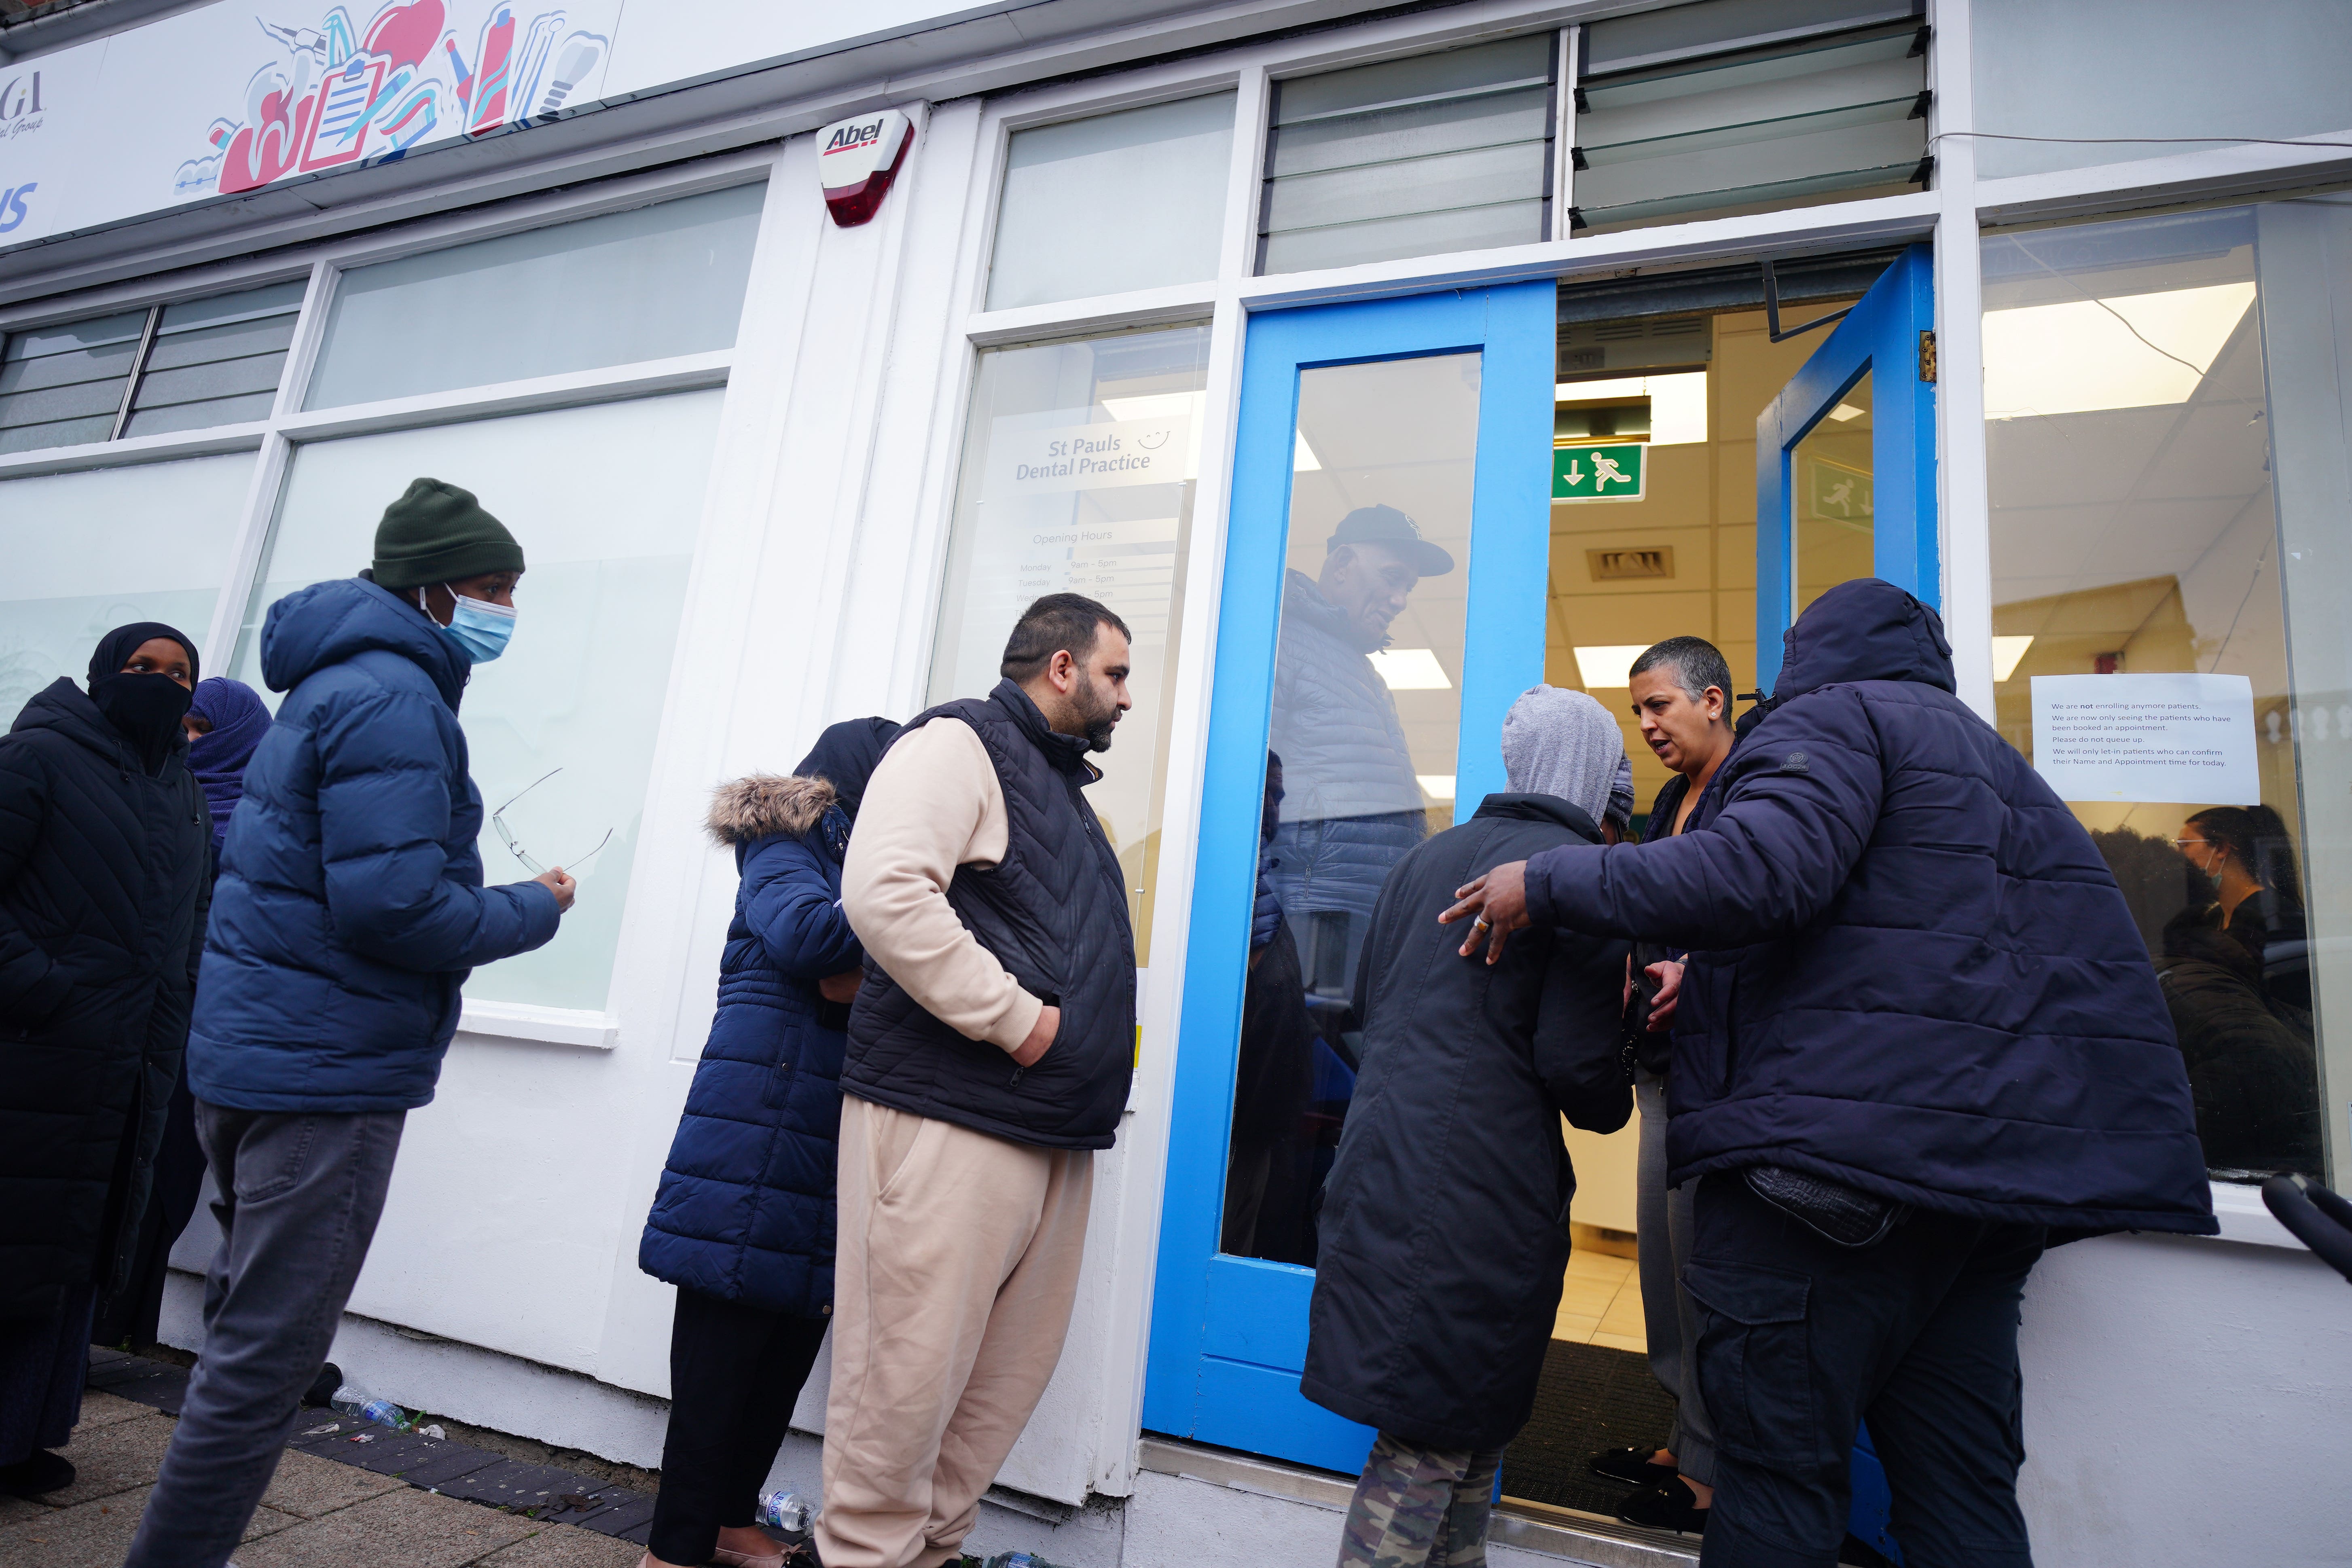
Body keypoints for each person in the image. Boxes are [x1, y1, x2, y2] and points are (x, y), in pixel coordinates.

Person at [1443, 578, 2216, 1568]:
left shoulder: (1835, 718)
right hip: (1974, 1199)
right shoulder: (1991, 766)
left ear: (1805, 654)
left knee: (1773, 1486)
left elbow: (1763, 868)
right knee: (1961, 1494)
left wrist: (1543, 880)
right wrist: (1710, 970)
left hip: (1821, 1186)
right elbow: (1918, 945)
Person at [125, 478, 576, 1568]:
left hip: (258, 1054)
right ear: (429, 590)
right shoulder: (396, 701)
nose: (504, 611)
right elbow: (394, 907)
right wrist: (537, 906)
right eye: (490, 589)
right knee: (265, 1360)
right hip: (322, 1076)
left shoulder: (331, 686)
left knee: (244, 1332)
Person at [822, 592, 1136, 1568]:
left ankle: (928, 1553)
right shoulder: (956, 745)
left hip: (1048, 1131)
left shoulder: (1063, 791)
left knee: (999, 1383)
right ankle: (868, 1555)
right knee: (905, 1375)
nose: (1126, 696)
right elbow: (882, 889)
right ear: (1060, 666)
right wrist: (1024, 1024)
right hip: (949, 1117)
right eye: (1116, 673)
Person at [1305, 685, 1632, 1568]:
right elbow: (1581, 1075)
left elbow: (1364, 1004)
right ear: (1595, 771)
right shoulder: (1578, 879)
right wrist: (1630, 1043)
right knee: (1430, 1439)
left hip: (1382, 1163)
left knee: (1471, 1427)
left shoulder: (1429, 858)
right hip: (1479, 1195)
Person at [637, 716, 898, 1568]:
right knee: (721, 1362)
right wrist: (909, 918)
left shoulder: (851, 863)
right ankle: (672, 1549)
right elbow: (813, 944)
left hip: (822, 1134)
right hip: (755, 1131)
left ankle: (729, 1522)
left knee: (786, 1345)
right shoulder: (783, 847)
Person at [0, 624, 210, 1500]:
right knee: (13, 1250)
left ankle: (24, 1435)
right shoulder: (37, 757)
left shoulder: (181, 788)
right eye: (141, 669)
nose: (160, 684)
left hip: (128, 1069)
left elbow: (188, 925)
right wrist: (48, 992)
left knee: (76, 1256)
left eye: (179, 674)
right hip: (33, 1059)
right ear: (101, 676)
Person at [1584, 636, 1736, 1535]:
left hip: (1723, 1078)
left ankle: (1714, 1476)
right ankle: (1684, 1438)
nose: (1646, 726)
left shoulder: (1753, 792)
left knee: (1704, 1266)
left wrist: (1702, 978)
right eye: (1637, 712)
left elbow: (1769, 913)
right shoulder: (1671, 802)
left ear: (1712, 700)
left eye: (1659, 708)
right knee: (1663, 1266)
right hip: (1659, 1067)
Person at [93, 675, 273, 1353]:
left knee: (166, 1174)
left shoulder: (275, 815)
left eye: (204, 729)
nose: (189, 740)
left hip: (215, 1023)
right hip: (134, 1012)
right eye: (185, 727)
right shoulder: (155, 793)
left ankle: (118, 1330)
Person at [1267, 504, 1454, 1012]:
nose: (1399, 600)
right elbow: (1252, 786)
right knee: (1306, 1072)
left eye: (1407, 589)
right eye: (1392, 579)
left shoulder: (1361, 669)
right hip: (1312, 920)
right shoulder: (1281, 642)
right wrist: (1259, 913)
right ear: (1343, 565)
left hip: (1358, 919)